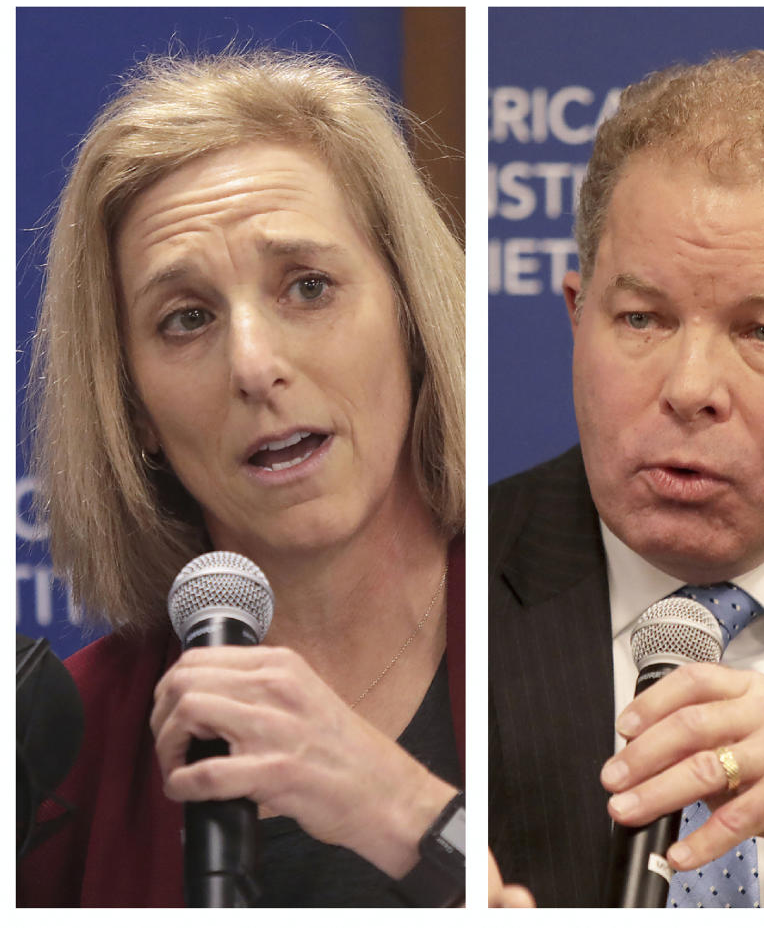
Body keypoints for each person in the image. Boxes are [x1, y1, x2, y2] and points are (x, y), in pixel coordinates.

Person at [17, 48, 465, 907]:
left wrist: (408, 814)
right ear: (133, 405)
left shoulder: (585, 634)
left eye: (307, 286)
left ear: (409, 315)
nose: (254, 366)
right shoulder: (59, 758)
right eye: (186, 318)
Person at [488, 51, 764, 908]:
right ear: (578, 319)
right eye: (642, 318)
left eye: (763, 331)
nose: (690, 387)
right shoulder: (443, 580)